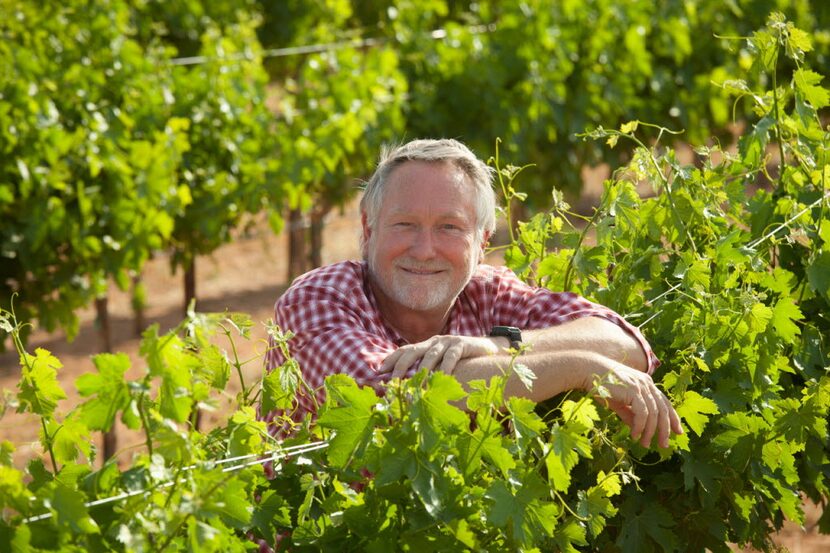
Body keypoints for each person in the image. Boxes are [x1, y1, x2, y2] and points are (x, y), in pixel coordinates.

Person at [263, 138, 683, 449]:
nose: (424, 250)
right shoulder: (318, 300)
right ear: (369, 227)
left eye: (449, 227)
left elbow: (624, 341)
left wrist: (499, 346)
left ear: (482, 242)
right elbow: (398, 402)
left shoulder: (487, 292)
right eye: (404, 224)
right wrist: (578, 366)